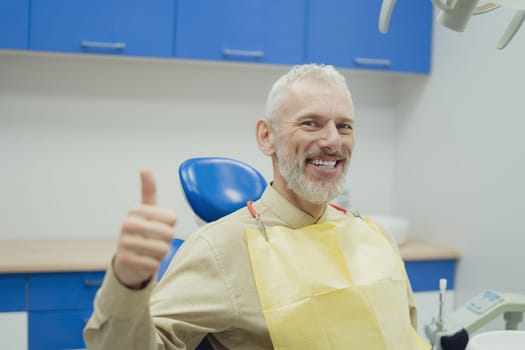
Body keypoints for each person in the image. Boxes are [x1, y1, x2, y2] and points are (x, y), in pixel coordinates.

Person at [84, 64, 428, 350]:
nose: (332, 141)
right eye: (311, 123)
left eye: (344, 126)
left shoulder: (374, 236)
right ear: (267, 137)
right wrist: (127, 286)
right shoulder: (220, 250)